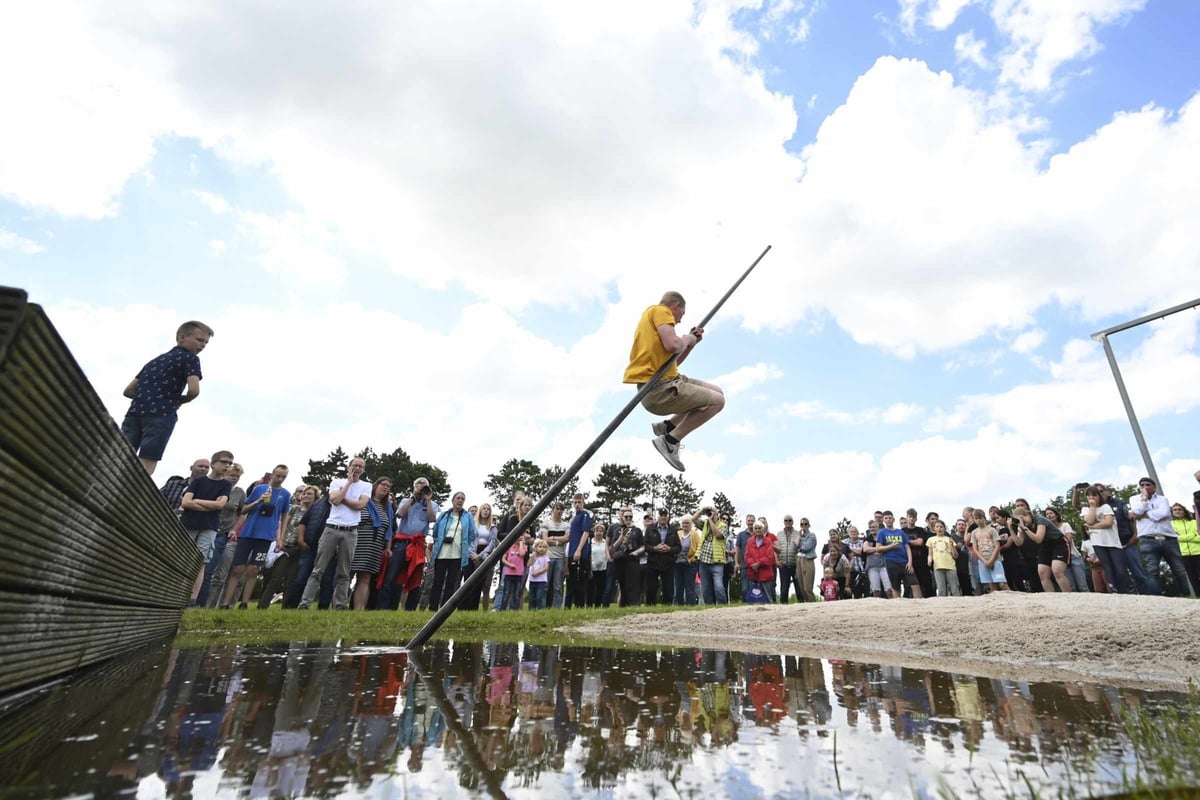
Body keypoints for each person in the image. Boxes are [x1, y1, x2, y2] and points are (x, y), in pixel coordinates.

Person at [623, 290, 724, 472]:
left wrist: (691, 344)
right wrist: (686, 339)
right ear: (676, 306)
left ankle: (668, 426)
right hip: (659, 389)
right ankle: (670, 441)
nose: (679, 321)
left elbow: (673, 360)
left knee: (718, 392)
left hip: (669, 379)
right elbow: (673, 345)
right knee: (718, 402)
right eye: (681, 315)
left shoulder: (653, 321)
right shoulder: (661, 311)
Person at [121, 321, 212, 474]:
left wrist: (147, 397)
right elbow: (194, 390)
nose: (203, 345)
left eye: (206, 342)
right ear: (182, 337)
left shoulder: (154, 361)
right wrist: (179, 400)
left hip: (135, 411)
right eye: (199, 340)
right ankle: (135, 489)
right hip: (162, 413)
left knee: (122, 454)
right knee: (149, 456)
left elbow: (128, 391)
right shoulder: (190, 359)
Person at [298, 457, 370, 610]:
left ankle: (340, 605)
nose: (357, 468)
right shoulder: (337, 482)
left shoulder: (366, 485)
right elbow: (334, 500)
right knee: (318, 569)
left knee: (344, 571)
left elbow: (360, 505)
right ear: (348, 467)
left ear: (363, 470)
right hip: (332, 528)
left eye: (360, 466)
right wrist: (348, 483)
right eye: (354, 465)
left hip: (351, 531)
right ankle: (305, 603)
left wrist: (341, 498)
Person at [220, 464, 291, 609]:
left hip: (265, 536)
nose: (280, 479)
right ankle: (225, 603)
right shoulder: (259, 489)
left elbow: (284, 517)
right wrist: (258, 501)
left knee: (254, 569)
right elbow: (244, 510)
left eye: (284, 477)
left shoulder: (286, 494)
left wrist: (280, 538)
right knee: (238, 568)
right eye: (278, 475)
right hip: (248, 533)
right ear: (272, 474)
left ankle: (244, 603)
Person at [178, 451, 233, 603]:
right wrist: (211, 505)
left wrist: (197, 502)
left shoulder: (226, 485)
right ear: (214, 463)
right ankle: (175, 592)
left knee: (201, 561)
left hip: (209, 527)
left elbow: (220, 505)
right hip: (189, 523)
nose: (227, 465)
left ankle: (192, 599)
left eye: (229, 463)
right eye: (223, 462)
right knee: (181, 557)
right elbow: (185, 502)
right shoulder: (199, 481)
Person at [379, 477, 440, 611]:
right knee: (393, 574)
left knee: (415, 577)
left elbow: (431, 518)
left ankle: (410, 609)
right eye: (418, 485)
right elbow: (400, 514)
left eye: (424, 486)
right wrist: (413, 497)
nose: (421, 487)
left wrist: (428, 499)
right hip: (401, 541)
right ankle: (387, 607)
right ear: (413, 486)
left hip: (418, 543)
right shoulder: (406, 501)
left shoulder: (432, 504)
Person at [1129, 477, 1195, 597]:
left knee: (1179, 570)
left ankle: (1186, 595)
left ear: (1154, 487)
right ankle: (1158, 599)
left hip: (1168, 539)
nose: (1145, 487)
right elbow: (1137, 511)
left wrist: (1145, 514)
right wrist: (1144, 499)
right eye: (1142, 485)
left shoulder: (1162, 499)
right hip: (1148, 539)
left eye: (1148, 485)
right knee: (1152, 571)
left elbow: (1163, 513)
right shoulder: (1134, 499)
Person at [257, 485, 314, 608]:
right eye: (304, 493)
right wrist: (280, 540)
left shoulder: (315, 513)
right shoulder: (294, 509)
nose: (306, 496)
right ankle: (262, 606)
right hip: (286, 547)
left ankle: (287, 607)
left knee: (292, 580)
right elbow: (283, 524)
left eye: (309, 494)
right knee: (276, 578)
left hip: (301, 549)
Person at [199, 461, 244, 607]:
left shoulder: (239, 492)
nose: (234, 478)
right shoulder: (215, 486)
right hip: (207, 528)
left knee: (215, 573)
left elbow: (242, 513)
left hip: (223, 534)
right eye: (231, 475)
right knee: (203, 568)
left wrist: (234, 529)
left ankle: (207, 606)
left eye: (237, 476)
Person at [351, 478, 395, 610]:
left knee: (365, 578)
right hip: (357, 542)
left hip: (374, 546)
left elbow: (389, 529)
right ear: (375, 486)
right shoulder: (364, 500)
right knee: (347, 575)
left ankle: (359, 609)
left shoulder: (388, 507)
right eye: (383, 484)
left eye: (388, 486)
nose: (385, 487)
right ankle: (339, 605)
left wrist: (388, 547)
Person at [429, 491, 478, 609]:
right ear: (453, 500)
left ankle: (445, 608)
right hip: (441, 553)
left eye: (462, 499)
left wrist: (465, 544)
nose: (460, 500)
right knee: (437, 582)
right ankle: (433, 608)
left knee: (451, 583)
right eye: (458, 498)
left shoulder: (467, 516)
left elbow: (473, 533)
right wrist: (438, 541)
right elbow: (435, 530)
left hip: (457, 554)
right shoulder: (444, 514)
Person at [1081, 485, 1133, 594]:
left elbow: (1108, 523)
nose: (1092, 498)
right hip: (1098, 542)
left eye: (1094, 495)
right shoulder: (1086, 509)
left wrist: (1093, 527)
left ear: (1099, 496)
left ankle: (1127, 590)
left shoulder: (1106, 507)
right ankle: (1115, 590)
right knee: (1107, 567)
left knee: (1119, 568)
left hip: (1113, 542)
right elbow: (1089, 520)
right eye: (1089, 496)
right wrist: (1092, 507)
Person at [1013, 506, 1071, 593]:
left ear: (1028, 514)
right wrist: (1010, 528)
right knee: (1042, 573)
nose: (1023, 521)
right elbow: (1019, 543)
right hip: (1045, 546)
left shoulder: (1039, 519)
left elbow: (1038, 538)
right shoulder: (1023, 526)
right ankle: (1051, 597)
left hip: (1059, 543)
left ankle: (1068, 596)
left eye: (1023, 518)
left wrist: (1025, 528)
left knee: (1057, 571)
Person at [461, 503, 498, 611]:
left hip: (484, 553)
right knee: (468, 580)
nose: (486, 511)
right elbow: (468, 539)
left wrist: (480, 556)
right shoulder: (473, 524)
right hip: (471, 553)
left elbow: (492, 543)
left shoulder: (493, 527)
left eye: (488, 509)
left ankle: (473, 608)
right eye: (484, 509)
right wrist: (473, 554)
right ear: (480, 511)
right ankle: (464, 608)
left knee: (478, 582)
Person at [877, 511, 921, 599]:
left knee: (915, 583)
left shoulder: (900, 532)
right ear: (884, 520)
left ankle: (919, 603)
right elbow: (878, 548)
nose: (888, 520)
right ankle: (897, 606)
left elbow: (907, 547)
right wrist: (891, 546)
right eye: (886, 518)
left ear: (893, 519)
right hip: (891, 561)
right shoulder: (882, 532)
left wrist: (910, 562)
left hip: (905, 562)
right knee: (895, 586)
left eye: (890, 518)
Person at [643, 508, 681, 605]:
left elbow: (678, 548)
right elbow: (645, 546)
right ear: (658, 516)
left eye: (665, 515)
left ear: (667, 517)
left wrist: (670, 549)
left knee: (668, 589)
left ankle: (666, 609)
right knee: (651, 588)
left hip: (668, 563)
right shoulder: (650, 529)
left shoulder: (673, 530)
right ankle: (650, 608)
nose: (663, 517)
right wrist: (654, 548)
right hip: (653, 562)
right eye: (661, 515)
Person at [607, 510, 644, 607]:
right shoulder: (617, 530)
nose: (628, 519)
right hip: (620, 559)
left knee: (633, 584)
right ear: (622, 518)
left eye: (630, 517)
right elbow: (613, 546)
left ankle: (634, 605)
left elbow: (642, 546)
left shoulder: (637, 530)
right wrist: (621, 536)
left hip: (632, 558)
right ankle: (623, 606)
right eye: (626, 517)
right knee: (622, 585)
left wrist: (637, 552)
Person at [539, 501, 571, 609]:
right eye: (557, 509)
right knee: (545, 584)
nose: (559, 511)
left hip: (560, 558)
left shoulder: (566, 525)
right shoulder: (546, 524)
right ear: (552, 510)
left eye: (561, 509)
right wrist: (558, 541)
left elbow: (567, 538)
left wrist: (553, 538)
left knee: (558, 585)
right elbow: (545, 540)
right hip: (548, 557)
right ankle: (542, 607)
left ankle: (556, 608)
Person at [693, 507, 728, 605]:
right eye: (710, 513)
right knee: (706, 590)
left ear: (717, 514)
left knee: (718, 587)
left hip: (717, 563)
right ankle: (710, 609)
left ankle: (723, 607)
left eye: (713, 513)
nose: (711, 515)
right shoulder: (705, 525)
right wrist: (702, 510)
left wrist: (710, 519)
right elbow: (693, 519)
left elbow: (717, 534)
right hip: (704, 562)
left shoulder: (723, 526)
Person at [969, 509, 1007, 592]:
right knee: (991, 584)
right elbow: (975, 548)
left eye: (980, 518)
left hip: (995, 559)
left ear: (984, 518)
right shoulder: (974, 532)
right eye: (976, 518)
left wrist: (991, 560)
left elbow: (997, 546)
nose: (978, 520)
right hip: (983, 560)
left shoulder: (991, 530)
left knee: (1002, 583)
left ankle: (1013, 598)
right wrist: (984, 561)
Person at [566, 493, 593, 608]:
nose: (577, 504)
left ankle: (580, 605)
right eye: (575, 502)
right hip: (571, 551)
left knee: (580, 582)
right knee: (571, 582)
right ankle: (569, 606)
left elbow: (585, 533)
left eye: (579, 502)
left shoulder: (585, 515)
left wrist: (579, 550)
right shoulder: (574, 518)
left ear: (583, 503)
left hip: (580, 553)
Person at [744, 521, 778, 602]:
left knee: (768, 597)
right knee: (753, 598)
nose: (758, 530)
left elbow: (769, 556)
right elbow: (747, 555)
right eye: (756, 528)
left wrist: (758, 563)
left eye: (760, 528)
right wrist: (752, 564)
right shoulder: (749, 541)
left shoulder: (768, 541)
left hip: (765, 573)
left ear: (763, 529)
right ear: (753, 530)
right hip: (753, 573)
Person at [927, 520, 961, 597]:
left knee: (954, 588)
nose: (939, 528)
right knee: (941, 589)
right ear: (934, 528)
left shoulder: (949, 539)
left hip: (950, 566)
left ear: (944, 528)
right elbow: (930, 554)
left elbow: (955, 556)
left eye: (941, 527)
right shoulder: (931, 539)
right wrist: (929, 560)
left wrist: (952, 545)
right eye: (937, 526)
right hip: (938, 567)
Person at [1172, 502, 1199, 597]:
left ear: (1184, 511)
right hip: (1183, 554)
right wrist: (1193, 536)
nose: (1177, 511)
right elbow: (1175, 538)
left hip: (1198, 551)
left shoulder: (1194, 522)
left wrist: (1182, 537)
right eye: (1175, 510)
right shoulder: (1171, 524)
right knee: (1193, 578)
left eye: (1179, 509)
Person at [673, 514, 700, 606]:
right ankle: (678, 606)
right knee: (678, 587)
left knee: (689, 587)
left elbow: (699, 547)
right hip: (678, 563)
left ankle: (691, 606)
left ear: (691, 524)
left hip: (690, 564)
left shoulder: (695, 534)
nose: (685, 525)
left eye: (687, 523)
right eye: (683, 523)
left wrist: (694, 558)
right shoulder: (678, 533)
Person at [774, 516, 802, 604]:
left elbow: (801, 547)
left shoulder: (798, 534)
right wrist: (777, 561)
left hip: (796, 564)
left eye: (790, 520)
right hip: (783, 565)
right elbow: (776, 549)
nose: (788, 522)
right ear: (784, 522)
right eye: (786, 520)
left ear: (792, 522)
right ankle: (783, 607)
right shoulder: (779, 534)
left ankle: (802, 605)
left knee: (799, 587)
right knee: (784, 588)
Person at [862, 524, 893, 599]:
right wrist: (879, 549)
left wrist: (872, 550)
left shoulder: (884, 538)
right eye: (870, 527)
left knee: (889, 589)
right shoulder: (867, 539)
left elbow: (888, 548)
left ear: (878, 528)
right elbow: (865, 549)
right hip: (872, 567)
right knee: (876, 590)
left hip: (884, 565)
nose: (872, 528)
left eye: (874, 527)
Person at [499, 533, 528, 611]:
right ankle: (502, 609)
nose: (518, 539)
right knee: (506, 592)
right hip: (509, 573)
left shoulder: (524, 547)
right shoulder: (509, 547)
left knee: (516, 593)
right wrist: (509, 565)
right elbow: (503, 559)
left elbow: (522, 554)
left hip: (518, 574)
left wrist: (521, 544)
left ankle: (514, 609)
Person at [586, 522, 609, 606]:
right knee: (590, 589)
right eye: (597, 531)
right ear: (594, 532)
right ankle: (588, 605)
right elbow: (589, 556)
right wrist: (590, 569)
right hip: (593, 569)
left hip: (603, 569)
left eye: (601, 531)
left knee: (601, 588)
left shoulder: (605, 542)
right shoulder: (590, 543)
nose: (599, 532)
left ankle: (598, 605)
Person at [796, 517, 817, 602]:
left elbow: (806, 547)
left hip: (807, 560)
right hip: (799, 560)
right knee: (801, 586)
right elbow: (795, 547)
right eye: (802, 524)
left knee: (807, 588)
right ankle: (807, 605)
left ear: (809, 525)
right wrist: (798, 538)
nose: (803, 526)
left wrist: (799, 544)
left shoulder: (812, 535)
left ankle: (813, 605)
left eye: (805, 524)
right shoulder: (799, 536)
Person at [527, 540, 550, 610]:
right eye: (540, 547)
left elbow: (546, 568)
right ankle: (531, 609)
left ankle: (541, 609)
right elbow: (528, 565)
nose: (542, 548)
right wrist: (531, 557)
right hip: (532, 580)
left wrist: (538, 572)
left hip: (541, 581)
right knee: (532, 596)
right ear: (536, 548)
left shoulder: (546, 558)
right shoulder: (533, 557)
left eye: (544, 547)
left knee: (540, 596)